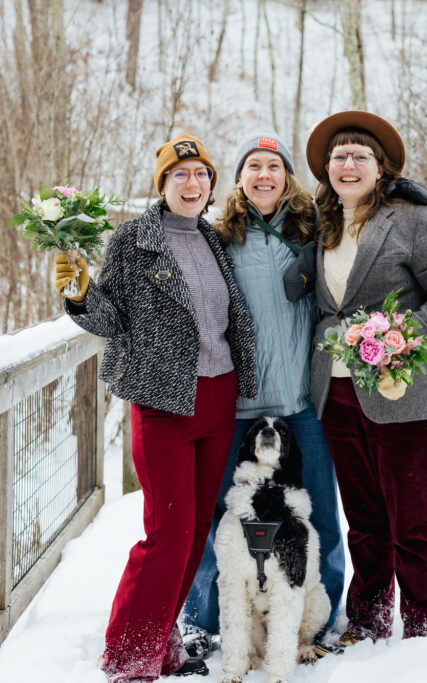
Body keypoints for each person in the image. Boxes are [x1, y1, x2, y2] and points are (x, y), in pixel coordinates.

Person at [54, 133, 257, 681]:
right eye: (180, 175)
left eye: (201, 175)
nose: (191, 184)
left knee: (194, 533)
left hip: (218, 399)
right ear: (162, 184)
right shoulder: (131, 241)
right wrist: (78, 295)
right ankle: (129, 655)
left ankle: (161, 642)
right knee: (166, 533)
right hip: (163, 402)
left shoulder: (214, 240)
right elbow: (110, 318)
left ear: (211, 185)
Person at [304, 111, 427, 644]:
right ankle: (369, 621)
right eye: (338, 156)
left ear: (381, 168)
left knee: (413, 526)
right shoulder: (321, 222)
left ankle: (426, 628)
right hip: (337, 393)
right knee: (366, 523)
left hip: (411, 399)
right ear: (327, 169)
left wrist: (402, 337)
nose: (348, 164)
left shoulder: (411, 217)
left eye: (360, 156)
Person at [180, 133, 346, 642]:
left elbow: (365, 216)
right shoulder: (216, 238)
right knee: (219, 516)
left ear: (287, 176)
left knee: (318, 510)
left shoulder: (315, 232)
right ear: (239, 178)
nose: (264, 175)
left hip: (301, 403)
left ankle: (318, 617)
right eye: (254, 165)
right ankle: (205, 619)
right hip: (237, 407)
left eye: (274, 165)